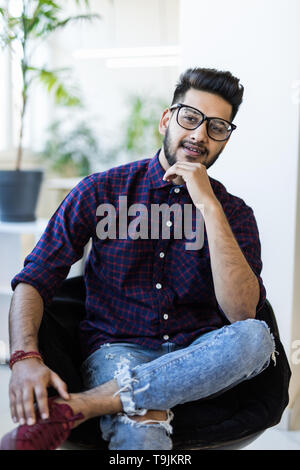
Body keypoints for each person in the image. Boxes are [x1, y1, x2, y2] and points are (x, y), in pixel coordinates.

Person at [0, 68, 276, 451]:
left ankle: (80, 406)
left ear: (225, 140)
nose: (199, 135)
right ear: (167, 119)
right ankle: (114, 401)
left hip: (199, 352)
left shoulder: (234, 212)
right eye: (190, 118)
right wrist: (25, 357)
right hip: (117, 348)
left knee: (257, 336)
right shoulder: (101, 191)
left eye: (216, 127)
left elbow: (242, 313)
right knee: (141, 430)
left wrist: (208, 205)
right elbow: (36, 276)